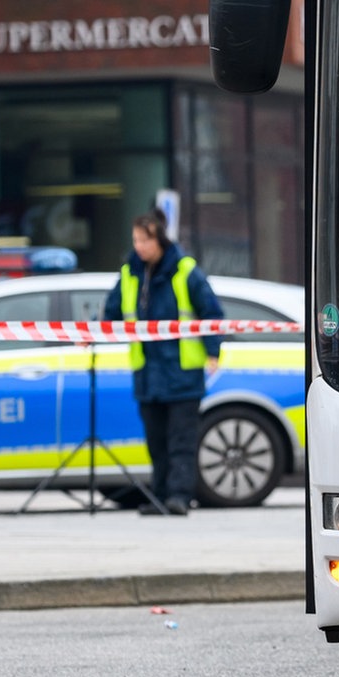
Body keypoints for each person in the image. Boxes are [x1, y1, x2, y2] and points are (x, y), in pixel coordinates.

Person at [102, 211, 223, 516]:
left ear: (159, 239)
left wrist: (212, 351)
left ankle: (180, 497)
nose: (139, 246)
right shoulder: (130, 273)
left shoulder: (185, 271)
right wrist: (93, 330)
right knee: (156, 442)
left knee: (181, 441)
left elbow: (211, 312)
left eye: (145, 239)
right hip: (147, 374)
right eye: (136, 240)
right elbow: (112, 312)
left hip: (182, 372)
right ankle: (160, 497)